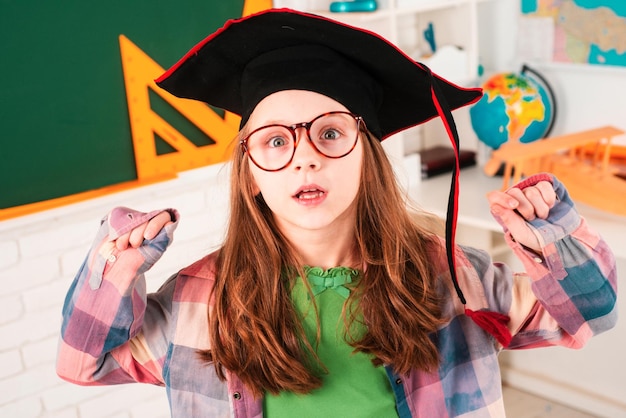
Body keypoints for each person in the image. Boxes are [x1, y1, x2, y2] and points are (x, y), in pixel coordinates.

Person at [56, 8, 617, 418]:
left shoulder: (453, 279)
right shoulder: (197, 301)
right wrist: (117, 266)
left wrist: (553, 236)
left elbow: (590, 314)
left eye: (329, 133)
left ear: (366, 158)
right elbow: (83, 364)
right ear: (250, 172)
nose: (304, 160)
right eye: (276, 142)